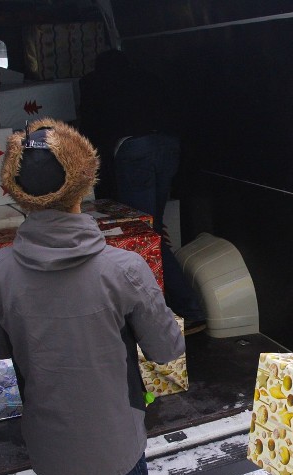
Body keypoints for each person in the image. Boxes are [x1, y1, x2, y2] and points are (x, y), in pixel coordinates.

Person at [0, 118, 185, 475]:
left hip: (48, 448)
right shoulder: (125, 269)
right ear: (85, 184)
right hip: (114, 449)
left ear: (17, 192)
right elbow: (167, 350)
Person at [80, 49, 206, 335]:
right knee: (153, 229)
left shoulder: (93, 83)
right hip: (168, 147)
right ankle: (179, 306)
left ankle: (185, 309)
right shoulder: (149, 78)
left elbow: (91, 127)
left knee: (144, 234)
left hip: (134, 150)